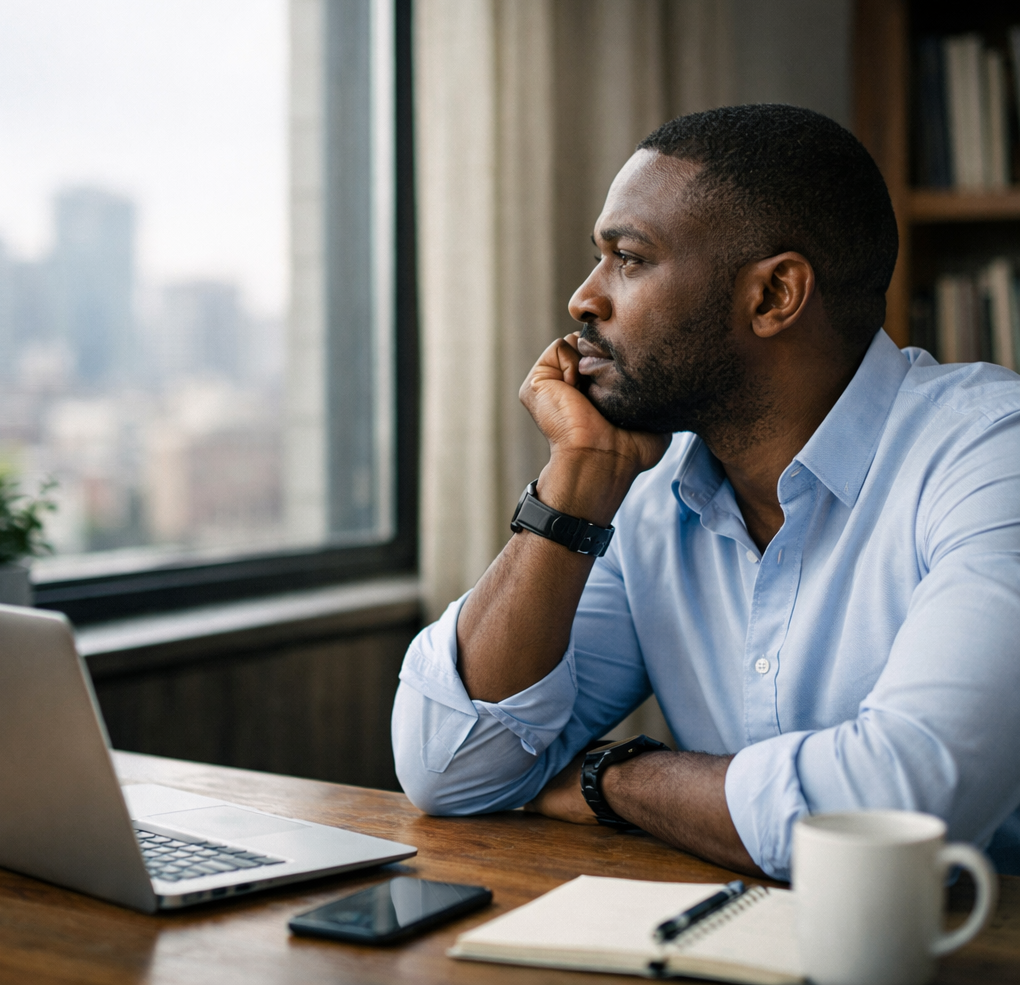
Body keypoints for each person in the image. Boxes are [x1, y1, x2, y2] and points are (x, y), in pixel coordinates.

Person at [391, 104, 1020, 880]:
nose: (584, 300)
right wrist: (577, 480)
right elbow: (447, 766)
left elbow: (901, 813)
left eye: (629, 259)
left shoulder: (994, 455)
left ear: (773, 297)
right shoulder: (655, 499)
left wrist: (610, 777)